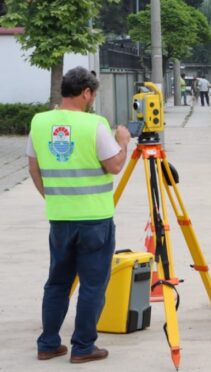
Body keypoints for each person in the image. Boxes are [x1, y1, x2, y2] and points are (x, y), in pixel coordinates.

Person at [27, 66, 131, 363]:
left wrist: (54, 198)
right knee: (93, 284)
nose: (92, 99)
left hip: (60, 218)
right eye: (93, 94)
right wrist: (123, 141)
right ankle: (83, 347)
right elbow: (114, 165)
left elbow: (33, 168)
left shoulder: (39, 122)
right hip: (94, 220)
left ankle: (48, 344)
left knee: (57, 282)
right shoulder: (94, 124)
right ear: (86, 92)